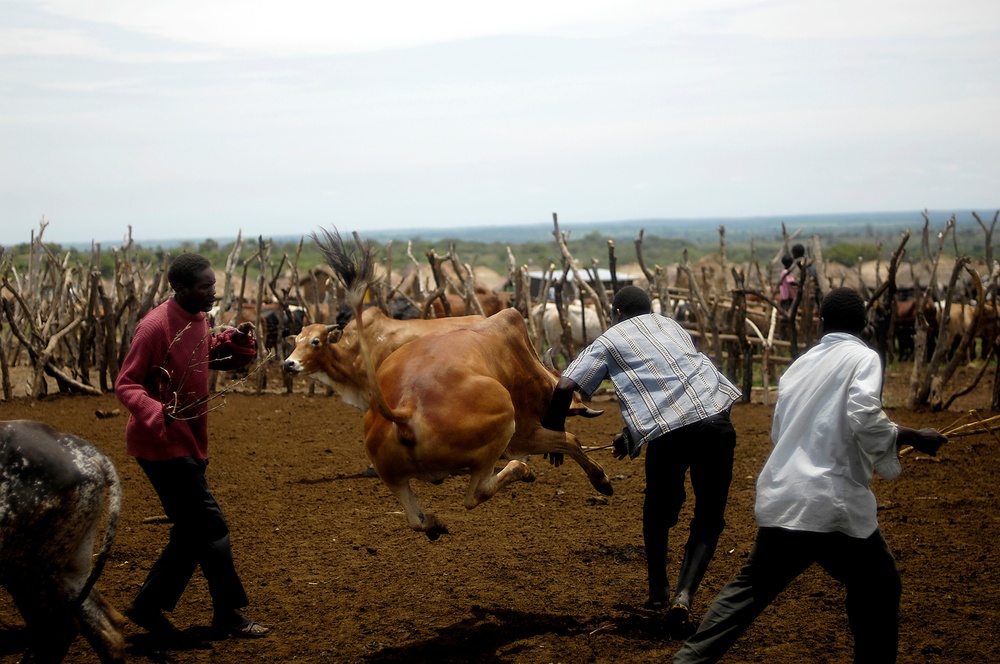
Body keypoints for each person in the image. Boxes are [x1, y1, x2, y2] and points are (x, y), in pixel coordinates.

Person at [672, 287, 946, 663]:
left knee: (747, 591)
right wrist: (914, 436)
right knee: (881, 586)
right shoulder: (863, 358)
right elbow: (864, 417)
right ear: (865, 324)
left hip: (786, 495)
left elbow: (780, 433)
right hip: (832, 503)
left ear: (820, 322)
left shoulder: (798, 366)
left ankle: (687, 660)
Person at [542, 286, 741, 633]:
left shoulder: (609, 339)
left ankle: (658, 589)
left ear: (616, 313)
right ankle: (683, 596)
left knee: (657, 510)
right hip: (717, 419)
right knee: (709, 517)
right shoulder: (671, 326)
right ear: (648, 309)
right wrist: (629, 435)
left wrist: (555, 432)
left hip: (672, 433)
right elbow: (675, 385)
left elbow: (562, 388)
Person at [115, 253, 270, 639]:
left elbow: (202, 355)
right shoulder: (153, 327)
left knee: (190, 531)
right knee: (211, 525)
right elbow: (125, 383)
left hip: (189, 439)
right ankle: (227, 614)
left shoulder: (199, 319)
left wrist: (232, 343)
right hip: (161, 444)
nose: (213, 292)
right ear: (181, 288)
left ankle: (147, 607)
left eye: (213, 285)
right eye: (205, 286)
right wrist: (156, 411)